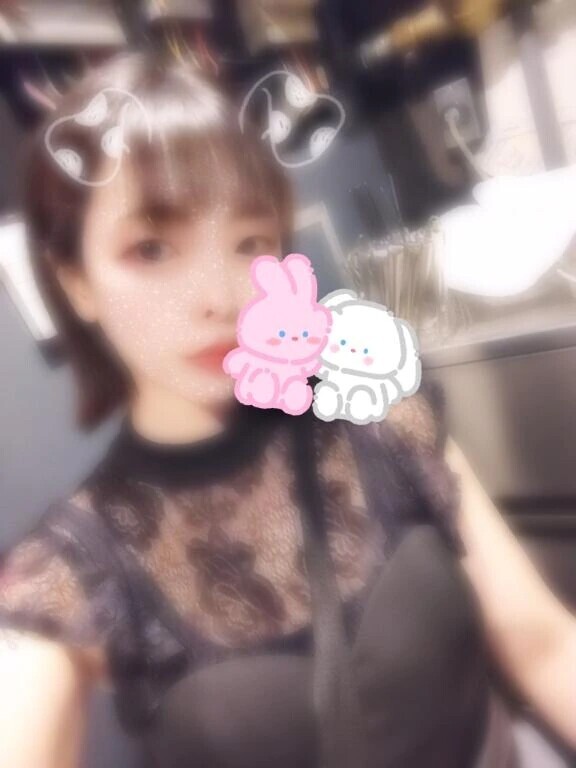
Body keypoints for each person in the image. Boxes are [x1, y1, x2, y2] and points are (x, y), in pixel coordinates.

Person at [0, 49, 574, 768]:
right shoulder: (69, 570)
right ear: (76, 281)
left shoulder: (377, 412)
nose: (218, 295)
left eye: (248, 242)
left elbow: (544, 644)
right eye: (151, 248)